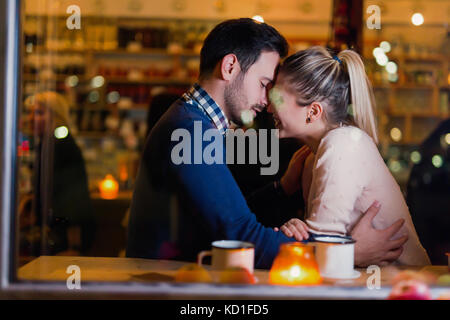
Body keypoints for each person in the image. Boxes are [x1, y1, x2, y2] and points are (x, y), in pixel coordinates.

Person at [126, 18, 408, 269]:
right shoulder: (189, 132)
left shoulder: (192, 123)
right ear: (230, 67)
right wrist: (349, 253)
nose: (266, 102)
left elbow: (223, 216)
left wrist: (281, 189)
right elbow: (241, 237)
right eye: (263, 84)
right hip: (166, 285)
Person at [269, 46, 430, 265]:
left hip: (401, 290)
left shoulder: (342, 144)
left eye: (277, 98)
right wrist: (297, 234)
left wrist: (302, 243)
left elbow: (324, 253)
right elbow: (320, 248)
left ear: (313, 112)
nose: (269, 107)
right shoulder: (310, 159)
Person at [19, 91, 96, 258]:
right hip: (57, 230)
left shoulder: (60, 144)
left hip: (65, 235)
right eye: (30, 112)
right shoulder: (48, 143)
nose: (31, 118)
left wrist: (74, 245)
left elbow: (73, 197)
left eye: (39, 113)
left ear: (56, 116)